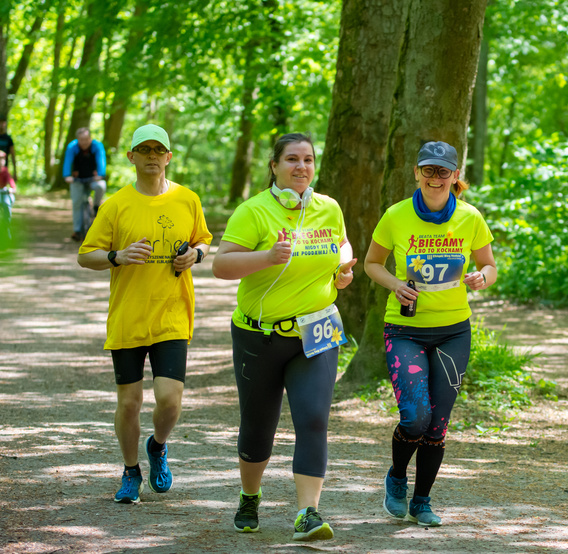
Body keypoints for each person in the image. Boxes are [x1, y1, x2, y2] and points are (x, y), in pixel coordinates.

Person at [212, 133, 356, 541]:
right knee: (259, 425)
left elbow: (342, 244)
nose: (301, 167)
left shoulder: (328, 207)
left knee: (313, 418)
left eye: (308, 160)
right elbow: (221, 266)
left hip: (317, 331)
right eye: (291, 159)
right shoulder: (253, 211)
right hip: (260, 336)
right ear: (274, 166)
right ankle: (249, 496)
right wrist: (267, 257)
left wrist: (343, 268)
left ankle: (308, 513)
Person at [364, 141, 497, 527]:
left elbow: (489, 265)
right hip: (405, 330)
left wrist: (481, 278)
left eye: (443, 172)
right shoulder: (396, 215)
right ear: (416, 172)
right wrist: (394, 284)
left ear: (456, 176)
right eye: (428, 170)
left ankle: (422, 501)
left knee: (438, 423)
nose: (434, 178)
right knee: (416, 416)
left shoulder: (471, 218)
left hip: (454, 331)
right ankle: (397, 475)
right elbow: (373, 263)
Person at [77, 124, 212, 505]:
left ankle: (158, 446)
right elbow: (85, 254)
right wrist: (115, 257)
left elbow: (204, 240)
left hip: (172, 314)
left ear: (168, 157)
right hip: (129, 317)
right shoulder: (116, 204)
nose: (152, 155)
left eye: (159, 149)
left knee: (169, 400)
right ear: (131, 156)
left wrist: (195, 255)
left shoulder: (188, 199)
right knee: (130, 403)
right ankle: (130, 471)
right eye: (144, 149)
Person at [64, 127, 107, 241]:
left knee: (101, 186)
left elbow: (101, 161)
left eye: (86, 139)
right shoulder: (72, 147)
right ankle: (77, 230)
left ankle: (96, 206)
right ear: (77, 139)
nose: (84, 142)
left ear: (90, 138)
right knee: (77, 202)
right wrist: (67, 175)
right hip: (77, 180)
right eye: (81, 140)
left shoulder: (97, 146)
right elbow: (67, 162)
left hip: (93, 179)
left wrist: (101, 174)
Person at [0, 151, 16, 249]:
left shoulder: (5, 171)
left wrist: (12, 189)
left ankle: (7, 228)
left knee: (6, 205)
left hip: (4, 193)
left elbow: (11, 182)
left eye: (2, 159)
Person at [0, 116, 16, 181]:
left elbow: (13, 154)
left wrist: (15, 171)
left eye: (3, 123)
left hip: (4, 167)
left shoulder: (8, 139)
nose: (1, 125)